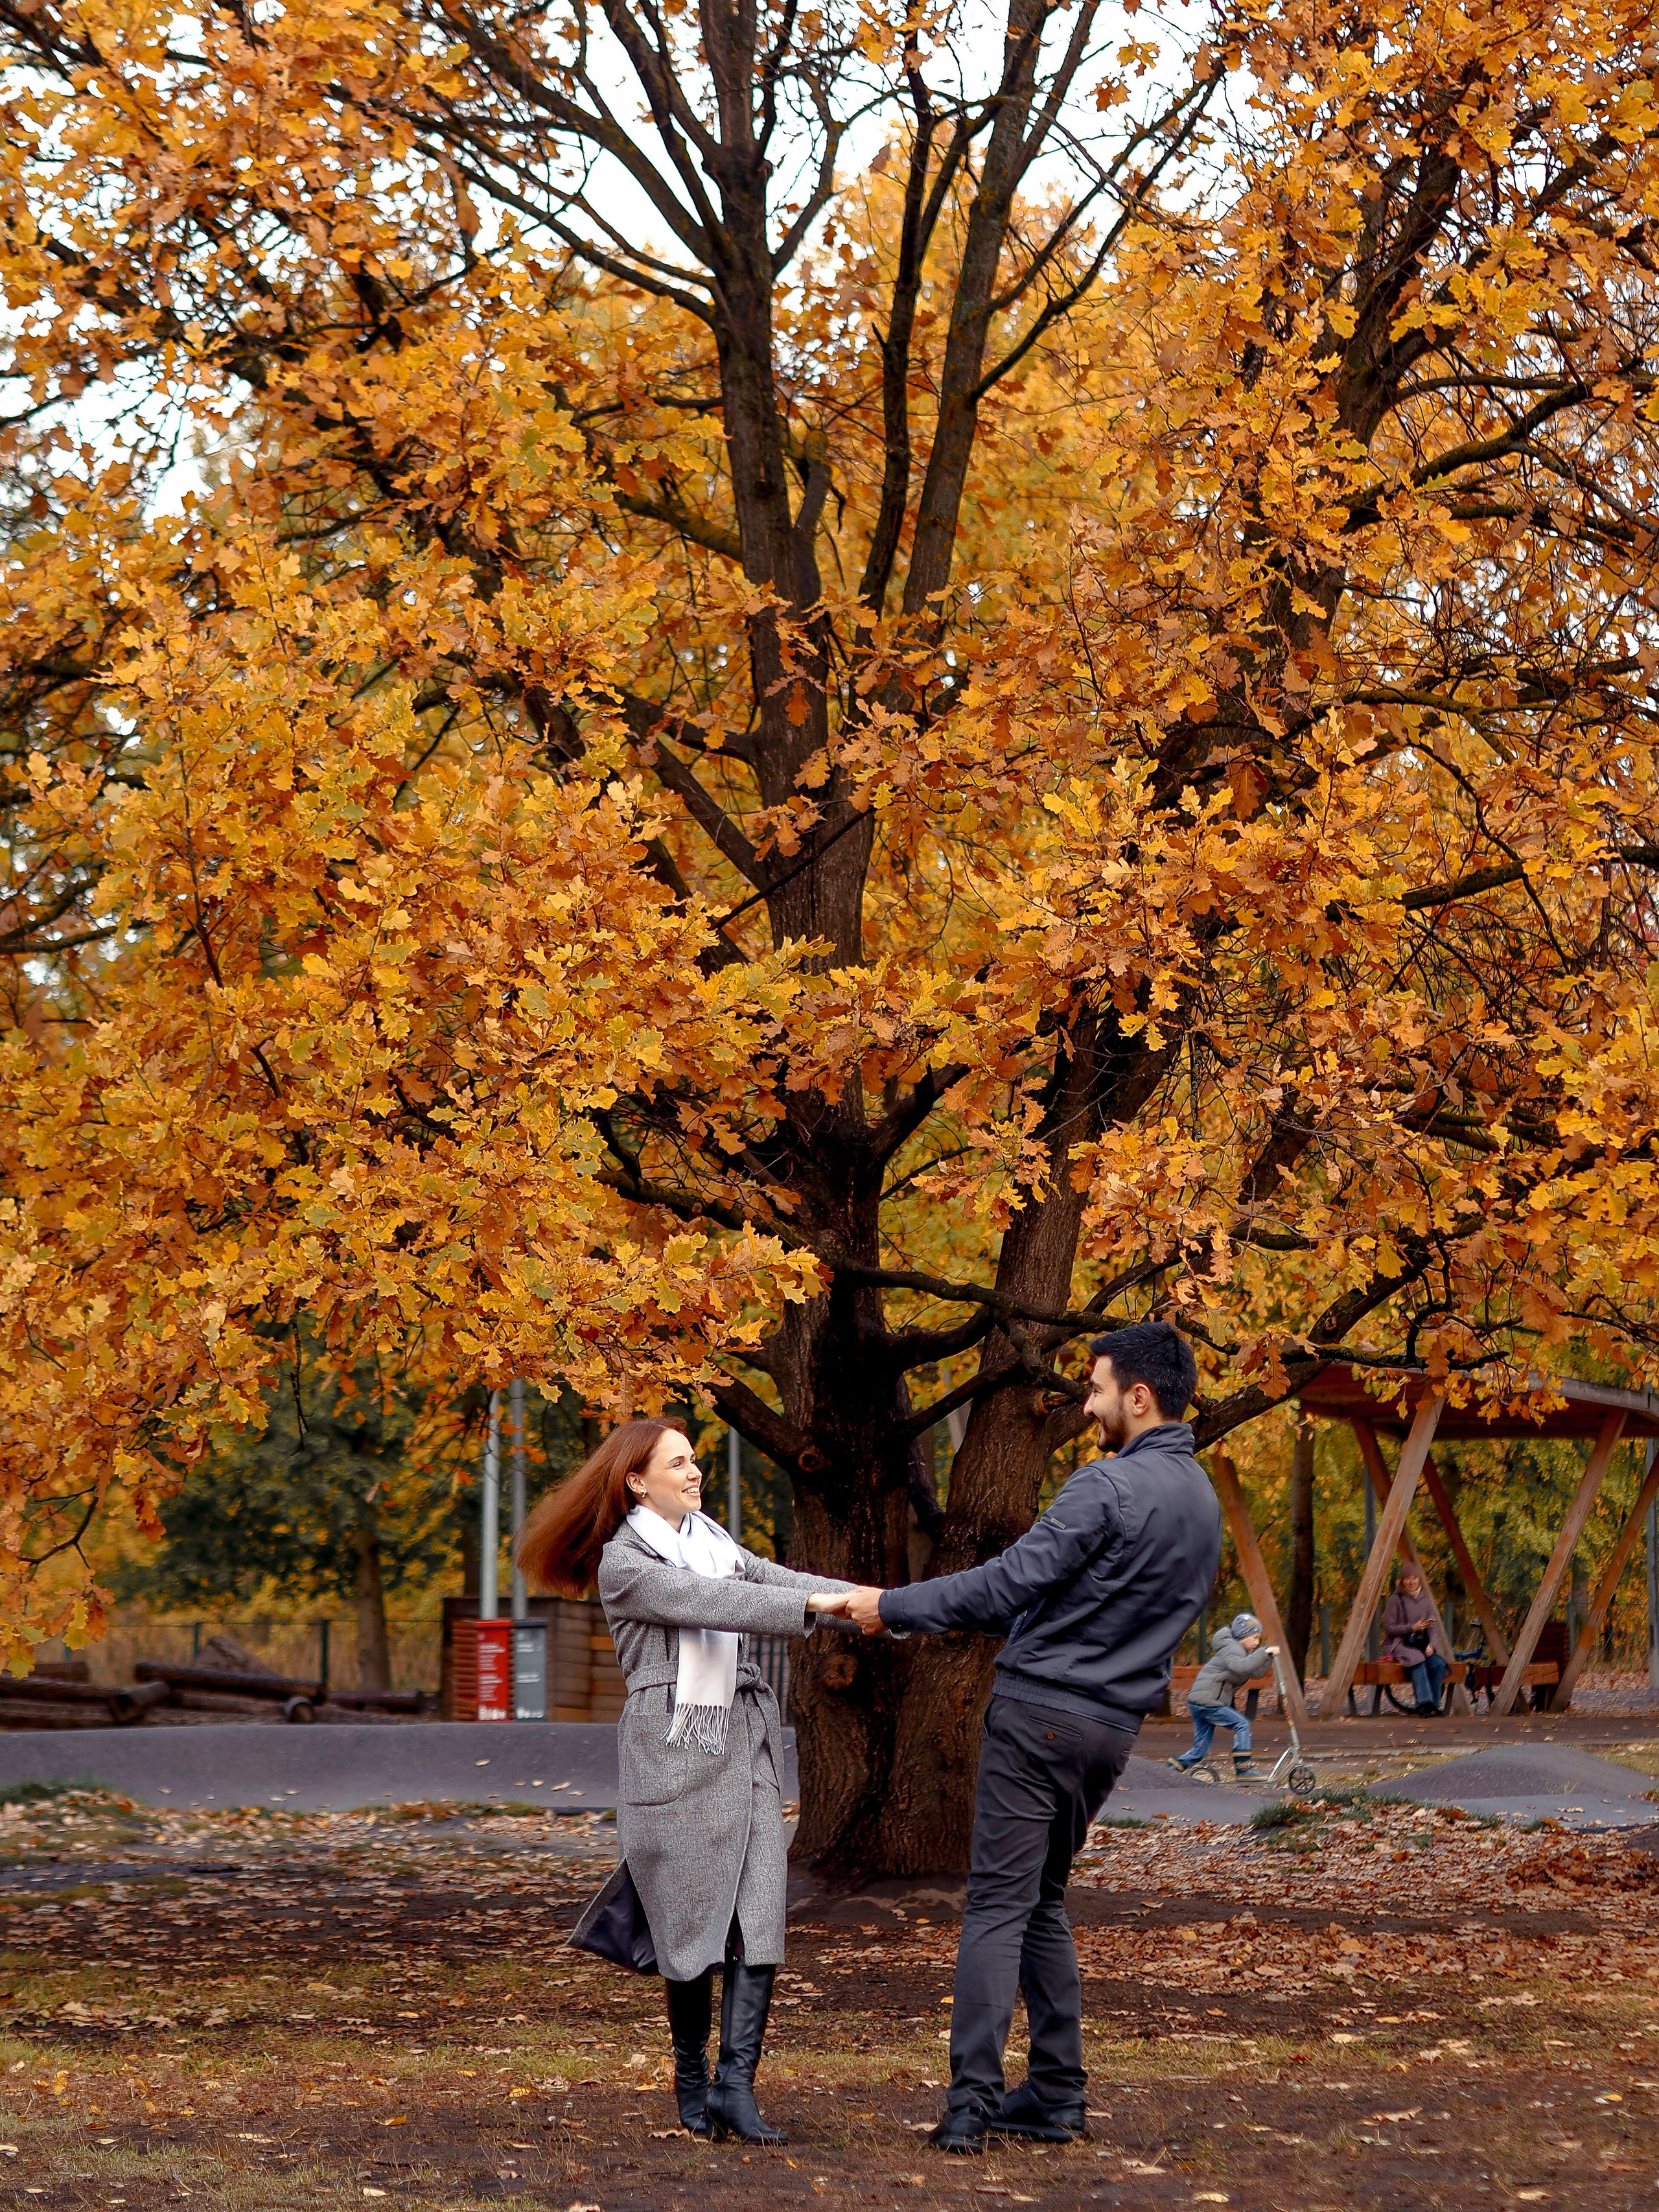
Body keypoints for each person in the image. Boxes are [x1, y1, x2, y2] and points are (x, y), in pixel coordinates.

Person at [841, 1321, 1221, 2156]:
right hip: (1110, 1732)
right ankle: (1055, 2094)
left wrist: (889, 1606)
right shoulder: (1202, 1502)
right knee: (1040, 1898)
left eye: (1095, 1388)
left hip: (1039, 1713)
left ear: (1140, 1396)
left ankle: (971, 2104)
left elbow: (1004, 1584)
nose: (1085, 1404)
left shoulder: (1105, 1487)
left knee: (996, 1905)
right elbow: (1083, 1598)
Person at [515, 1418, 852, 2145]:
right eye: (679, 1462)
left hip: (745, 1739)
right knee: (692, 1926)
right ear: (637, 1479)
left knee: (758, 1917)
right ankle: (692, 2081)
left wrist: (865, 1598)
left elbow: (773, 1581)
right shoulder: (626, 1562)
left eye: (696, 1459)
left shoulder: (715, 1543)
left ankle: (737, 2088)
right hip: (673, 1749)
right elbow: (714, 1603)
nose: (695, 1471)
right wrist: (816, 1608)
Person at [1166, 1613, 1273, 1781]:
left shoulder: (1239, 1651)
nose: (1256, 1642)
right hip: (1208, 1701)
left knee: (1201, 1750)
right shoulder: (1232, 1649)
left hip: (1200, 1701)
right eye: (1254, 1637)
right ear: (1243, 1636)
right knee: (1242, 1724)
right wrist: (1262, 1654)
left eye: (1259, 1638)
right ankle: (1243, 1769)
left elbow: (1256, 1672)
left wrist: (1268, 1656)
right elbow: (1241, 1668)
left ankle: (1172, 1769)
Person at [1382, 1565, 1448, 1716]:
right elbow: (1389, 1627)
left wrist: (1432, 1644)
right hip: (1398, 1644)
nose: (1411, 1582)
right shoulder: (1395, 1600)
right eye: (1408, 1578)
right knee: (1417, 1659)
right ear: (1402, 1581)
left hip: (1420, 1645)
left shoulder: (1426, 1600)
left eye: (1415, 1578)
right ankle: (1424, 1703)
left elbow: (1433, 1627)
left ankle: (1435, 1704)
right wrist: (1412, 1628)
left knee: (1438, 1664)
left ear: (1419, 1580)